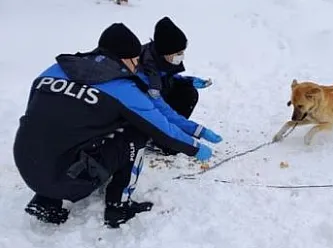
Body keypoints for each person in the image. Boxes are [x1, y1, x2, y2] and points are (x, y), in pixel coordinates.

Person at [13, 23, 220, 228]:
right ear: (124, 59)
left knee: (62, 128)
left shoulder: (54, 70)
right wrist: (194, 147)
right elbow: (161, 128)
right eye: (136, 59)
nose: (138, 64)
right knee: (136, 131)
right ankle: (118, 206)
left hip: (25, 164)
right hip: (67, 180)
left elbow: (38, 119)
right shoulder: (122, 88)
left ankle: (45, 200)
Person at [138, 16, 213, 155]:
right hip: (142, 110)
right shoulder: (145, 72)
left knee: (188, 92)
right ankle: (163, 140)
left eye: (182, 52)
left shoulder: (158, 56)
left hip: (156, 98)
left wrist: (189, 80)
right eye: (178, 53)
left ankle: (168, 136)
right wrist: (197, 130)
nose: (181, 56)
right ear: (166, 52)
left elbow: (166, 77)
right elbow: (162, 109)